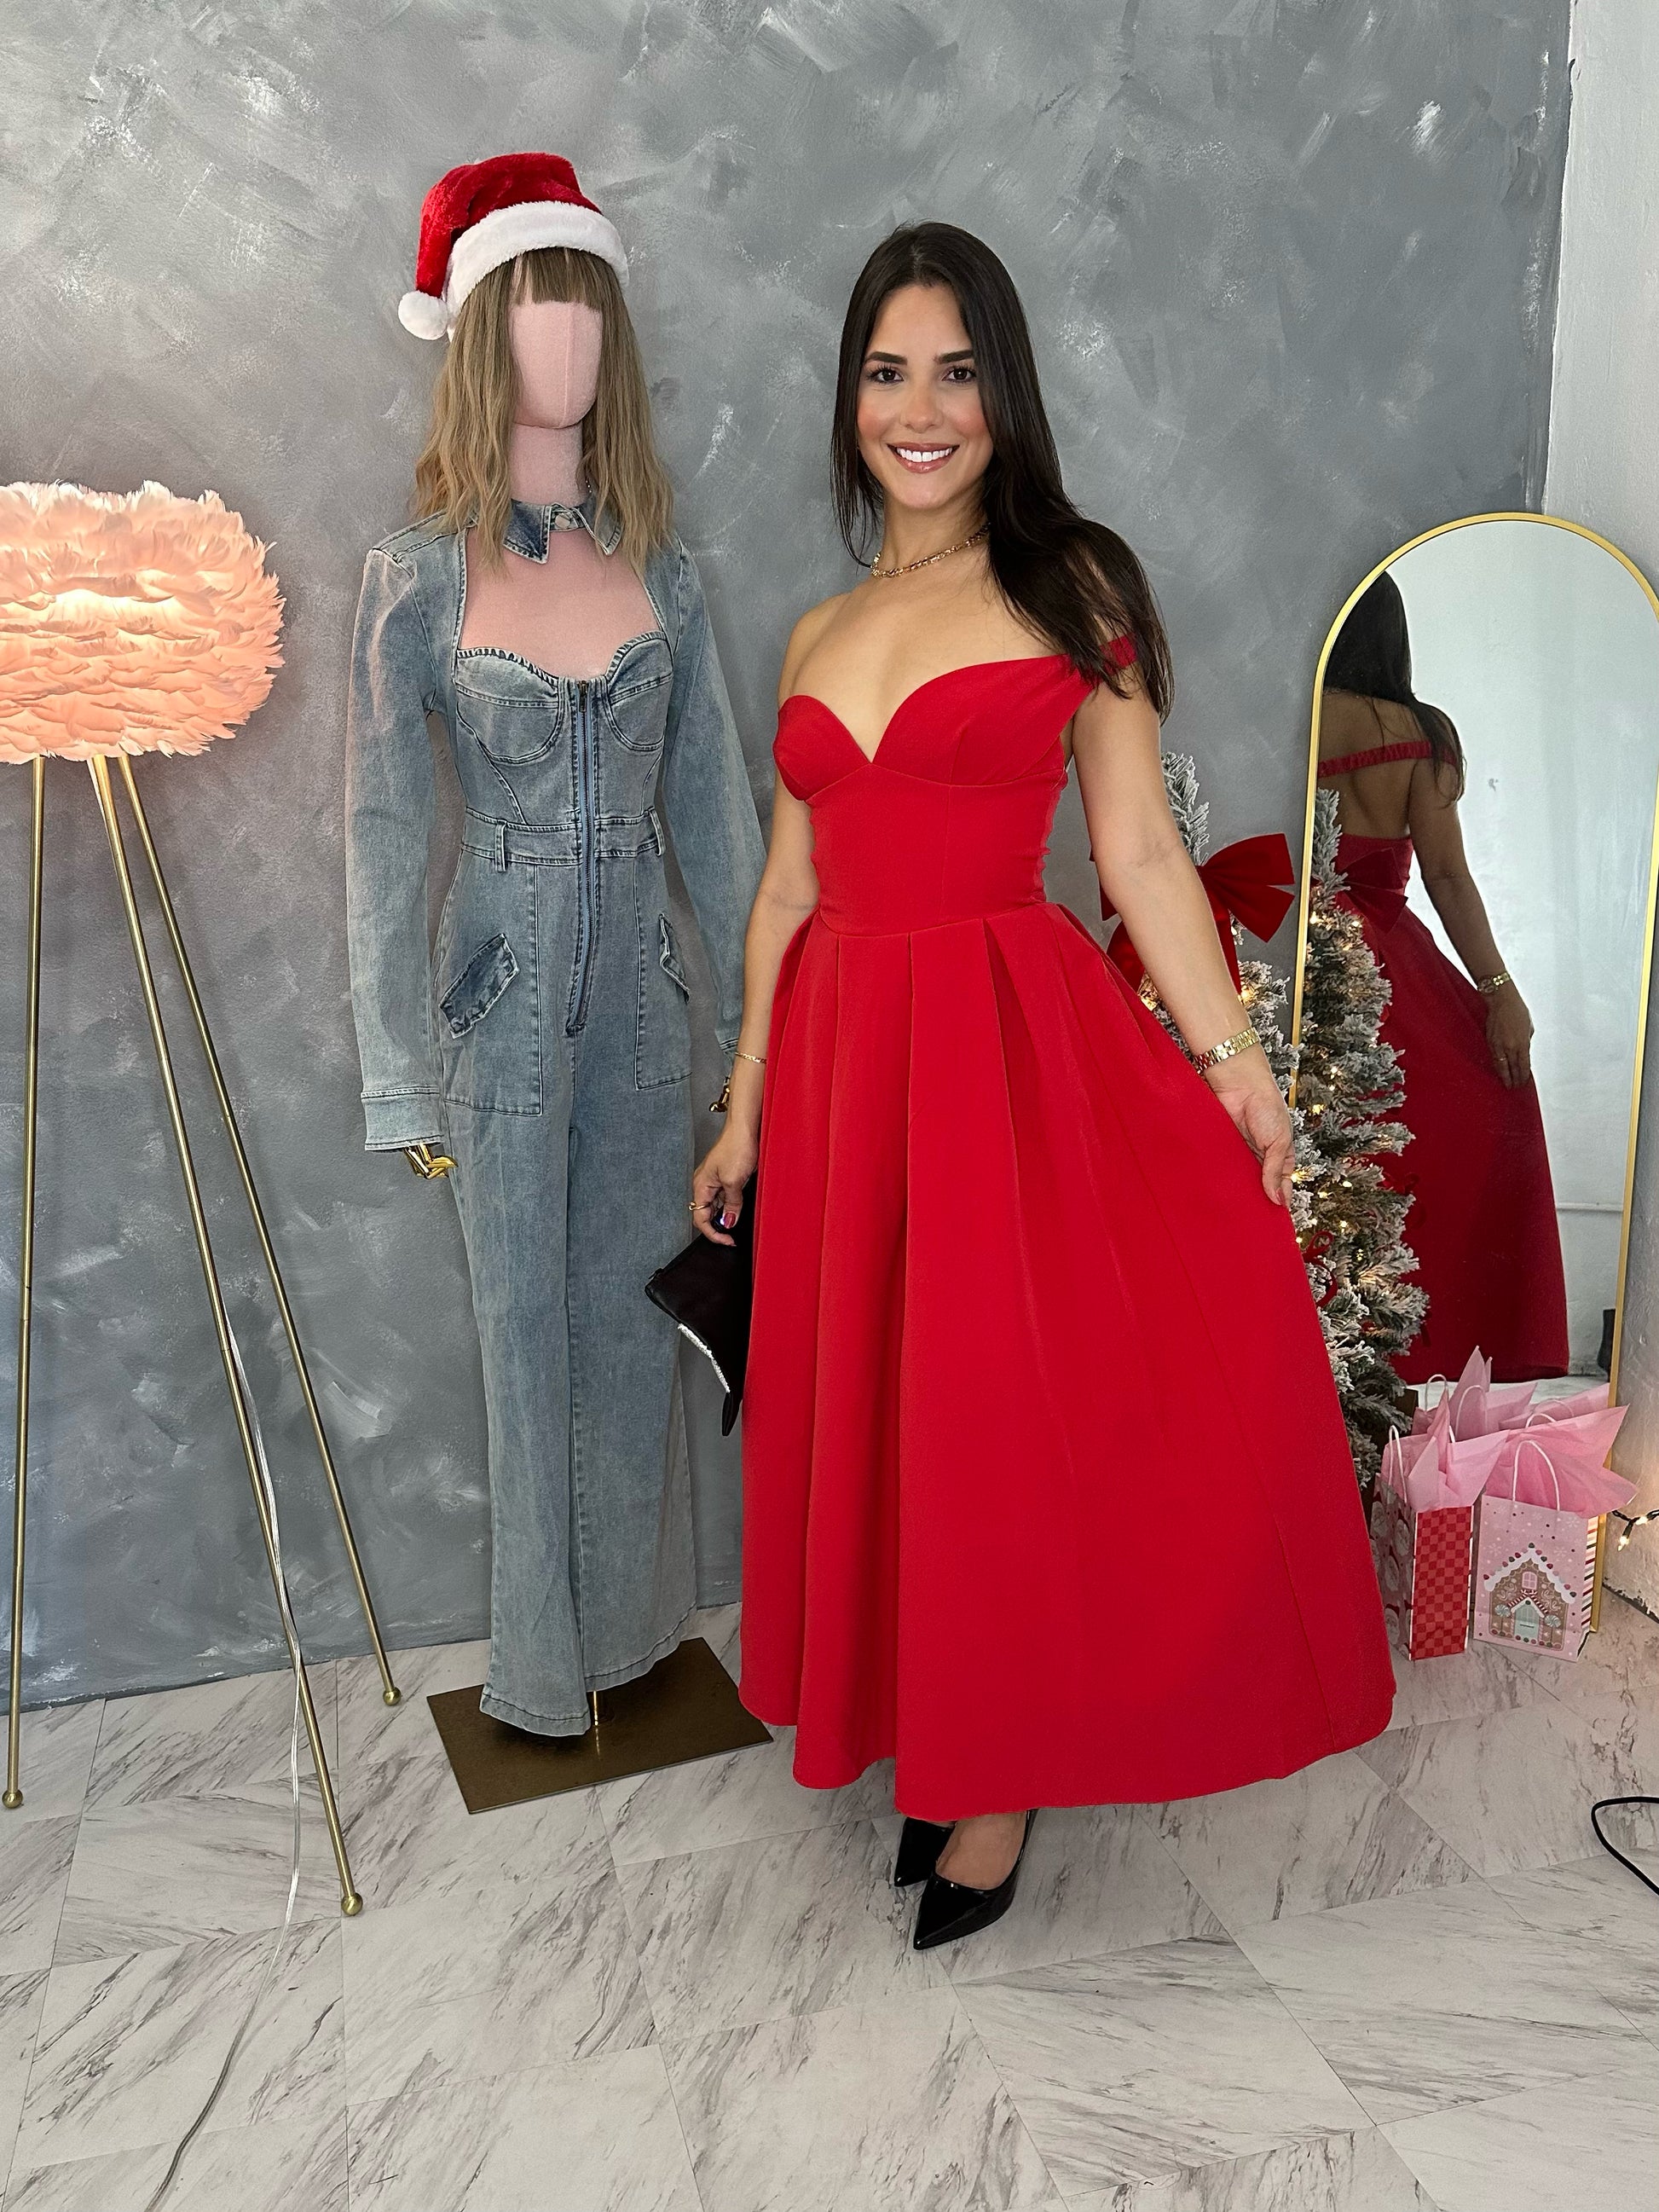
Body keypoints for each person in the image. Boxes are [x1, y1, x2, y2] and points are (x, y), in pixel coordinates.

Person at [691, 223, 1392, 1951]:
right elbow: (785, 890)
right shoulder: (817, 628)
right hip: (844, 1058)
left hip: (1000, 1053)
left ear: (1003, 392)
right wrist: (745, 1102)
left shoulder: (1071, 587)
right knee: (887, 1408)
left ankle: (997, 1773)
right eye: (886, 372)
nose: (919, 409)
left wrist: (1238, 1066)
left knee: (991, 1413)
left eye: (956, 371)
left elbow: (1137, 850)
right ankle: (933, 1721)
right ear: (849, 398)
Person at [1318, 572, 1569, 1383]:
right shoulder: (1420, 734)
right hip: (1387, 960)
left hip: (1292, 951)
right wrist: (1499, 992)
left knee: (1320, 1154)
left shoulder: (1288, 714)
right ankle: (1426, 1340)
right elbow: (1449, 877)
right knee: (1431, 1138)